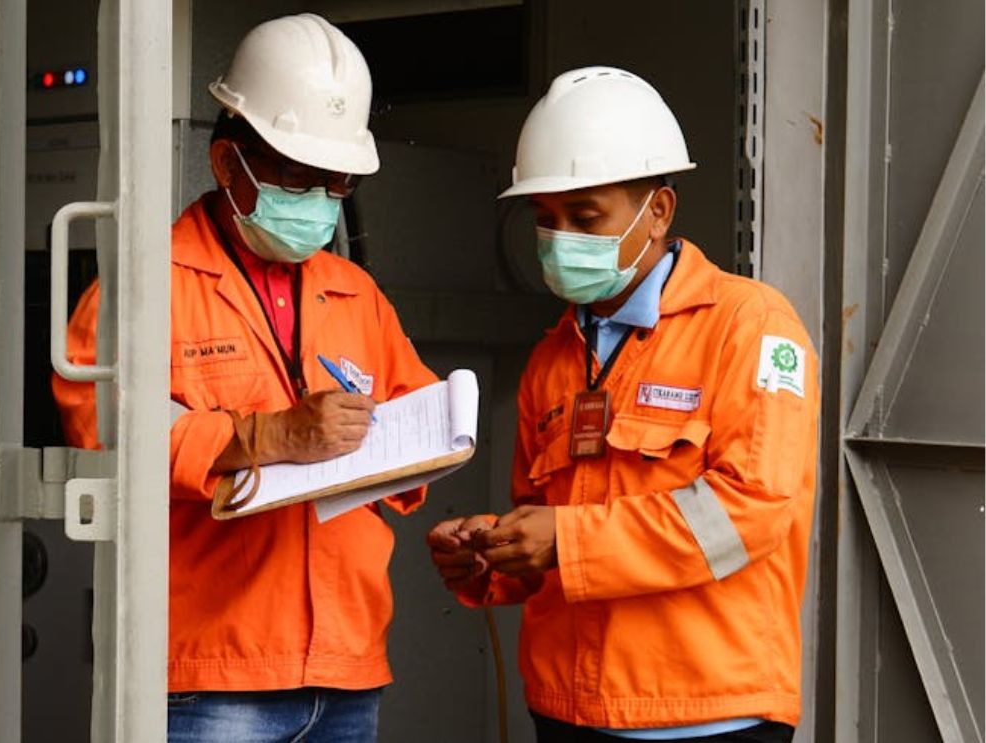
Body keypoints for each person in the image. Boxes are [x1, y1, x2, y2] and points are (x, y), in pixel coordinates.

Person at [53, 14, 438, 742]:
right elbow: (104, 435)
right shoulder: (142, 288)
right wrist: (269, 435)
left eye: (335, 183)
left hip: (347, 666)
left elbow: (415, 416)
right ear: (229, 165)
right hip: (209, 676)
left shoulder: (355, 291)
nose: (321, 202)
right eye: (299, 178)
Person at [427, 67, 819, 743]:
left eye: (584, 217)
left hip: (706, 715)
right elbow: (552, 528)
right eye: (544, 220)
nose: (558, 240)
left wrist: (564, 541)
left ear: (658, 211)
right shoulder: (552, 358)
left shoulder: (749, 325)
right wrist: (494, 551)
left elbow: (747, 512)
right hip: (568, 709)